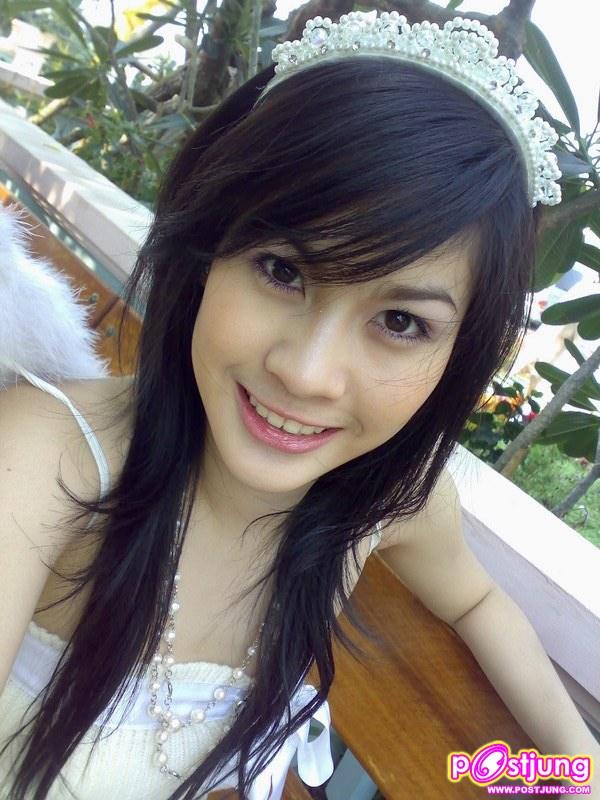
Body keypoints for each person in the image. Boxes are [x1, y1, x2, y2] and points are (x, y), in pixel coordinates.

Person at [0, 9, 597, 800]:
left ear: (459, 355)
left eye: (400, 322)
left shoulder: (388, 503)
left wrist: (577, 771)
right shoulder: (46, 459)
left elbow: (479, 599)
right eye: (282, 270)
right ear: (207, 250)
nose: (308, 374)